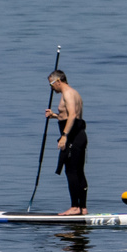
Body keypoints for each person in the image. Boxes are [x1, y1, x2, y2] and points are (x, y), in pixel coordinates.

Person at [45, 69, 88, 215]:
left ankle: (75, 207)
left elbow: (73, 116)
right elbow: (67, 116)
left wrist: (64, 136)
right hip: (78, 135)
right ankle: (82, 208)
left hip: (73, 137)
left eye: (51, 84)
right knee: (78, 171)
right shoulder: (74, 93)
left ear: (58, 81)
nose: (51, 87)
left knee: (71, 171)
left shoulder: (68, 94)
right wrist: (55, 116)